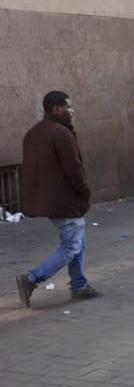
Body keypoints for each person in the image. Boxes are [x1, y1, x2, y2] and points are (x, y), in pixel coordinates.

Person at [15, 91, 100, 307]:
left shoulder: (33, 133)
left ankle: (79, 285)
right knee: (72, 244)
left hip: (49, 200)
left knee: (78, 240)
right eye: (68, 107)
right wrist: (85, 192)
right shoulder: (61, 133)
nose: (72, 110)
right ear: (56, 108)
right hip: (65, 199)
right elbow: (74, 170)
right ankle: (31, 278)